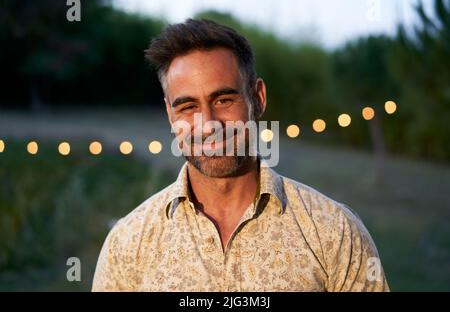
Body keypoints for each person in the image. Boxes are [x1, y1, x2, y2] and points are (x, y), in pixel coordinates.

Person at [92, 18, 389, 292]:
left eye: (223, 100)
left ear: (257, 98)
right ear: (170, 113)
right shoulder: (128, 243)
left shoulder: (334, 231)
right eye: (187, 107)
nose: (208, 125)